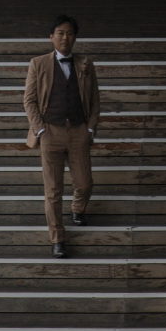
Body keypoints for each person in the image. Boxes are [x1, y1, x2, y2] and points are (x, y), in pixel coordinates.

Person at [23, 15, 100, 258]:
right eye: (60, 33)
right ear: (51, 36)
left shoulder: (85, 64)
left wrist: (89, 128)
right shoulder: (38, 63)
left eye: (69, 33)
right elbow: (29, 100)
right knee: (53, 191)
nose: (64, 37)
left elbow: (95, 100)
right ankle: (57, 238)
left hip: (78, 130)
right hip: (50, 131)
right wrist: (41, 129)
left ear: (75, 37)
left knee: (85, 183)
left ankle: (77, 209)